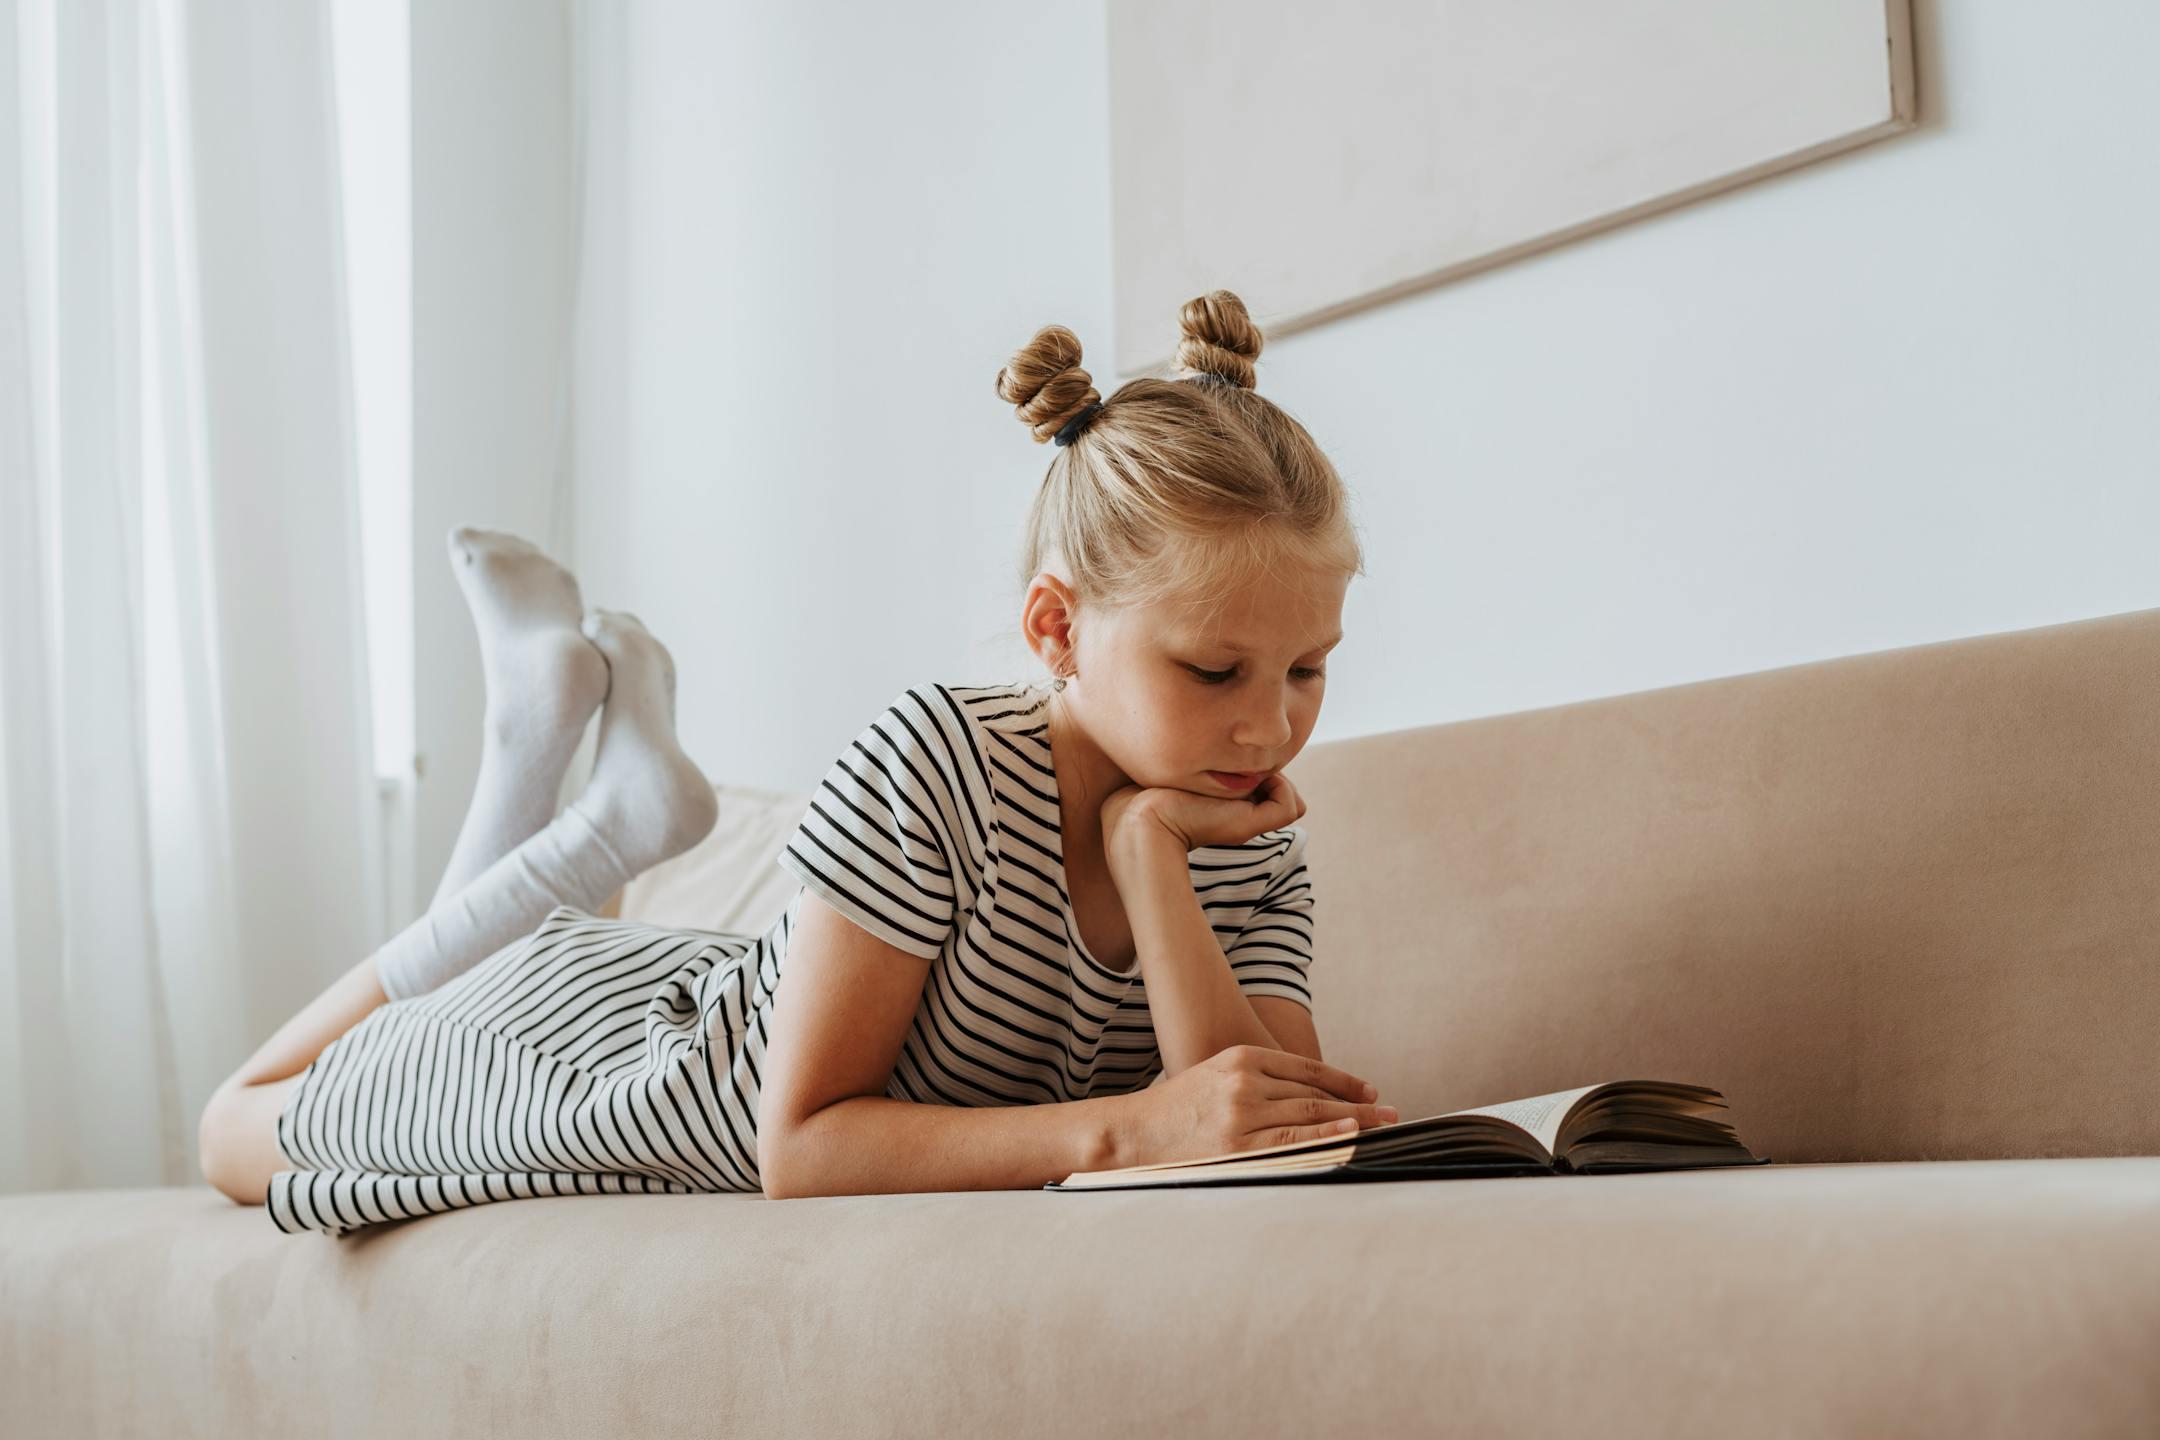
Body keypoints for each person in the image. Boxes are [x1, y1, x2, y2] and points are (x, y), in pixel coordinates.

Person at [198, 288, 1399, 1237]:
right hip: (607, 1065)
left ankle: (586, 791)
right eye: (1213, 671)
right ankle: (580, 819)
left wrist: (1149, 858)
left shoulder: (1236, 834)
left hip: (708, 999)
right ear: (1057, 631)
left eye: (1307, 670)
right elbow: (804, 1147)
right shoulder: (940, 759)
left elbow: (1259, 1126)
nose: (1268, 728)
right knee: (229, 1129)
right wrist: (1125, 1132)